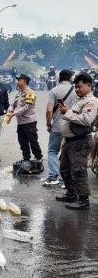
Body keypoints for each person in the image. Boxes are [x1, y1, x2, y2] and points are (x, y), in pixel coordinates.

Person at [56, 73, 97, 210]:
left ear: (89, 86)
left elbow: (86, 120)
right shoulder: (80, 100)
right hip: (70, 141)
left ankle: (84, 200)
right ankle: (71, 193)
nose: (77, 90)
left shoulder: (91, 101)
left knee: (78, 171)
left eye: (80, 87)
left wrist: (67, 112)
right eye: (76, 87)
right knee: (64, 169)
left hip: (80, 142)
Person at [44, 69, 76, 187]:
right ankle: (64, 180)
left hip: (57, 127)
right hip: (73, 127)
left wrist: (48, 124)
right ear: (71, 78)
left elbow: (49, 110)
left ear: (59, 78)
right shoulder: (76, 90)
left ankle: (53, 175)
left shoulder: (54, 90)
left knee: (53, 151)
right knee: (66, 154)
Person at [4, 74, 43, 162]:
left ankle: (38, 158)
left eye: (19, 80)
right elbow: (12, 104)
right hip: (21, 122)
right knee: (22, 141)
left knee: (33, 141)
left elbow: (26, 107)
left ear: (24, 81)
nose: (17, 82)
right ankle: (26, 158)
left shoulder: (30, 92)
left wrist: (13, 114)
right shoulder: (19, 93)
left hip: (29, 122)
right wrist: (10, 111)